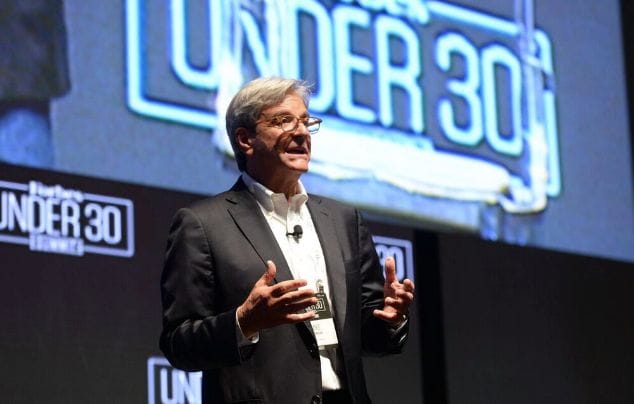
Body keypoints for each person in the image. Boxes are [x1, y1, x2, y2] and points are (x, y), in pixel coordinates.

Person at [160, 77, 416, 404]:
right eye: (283, 121)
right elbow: (179, 344)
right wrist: (243, 322)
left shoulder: (343, 220)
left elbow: (370, 338)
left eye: (306, 121)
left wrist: (391, 318)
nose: (301, 132)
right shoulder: (203, 224)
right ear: (245, 139)